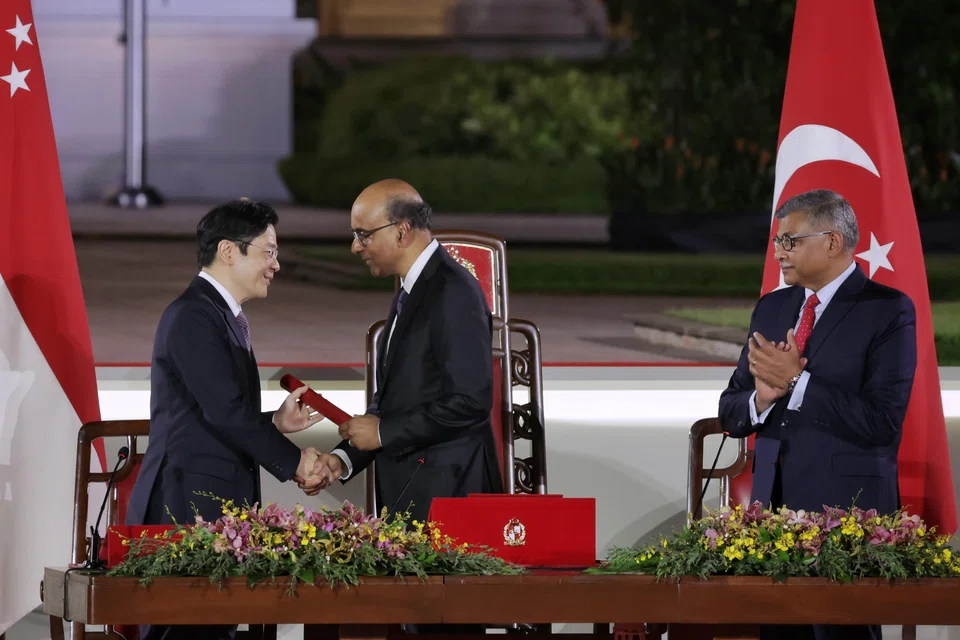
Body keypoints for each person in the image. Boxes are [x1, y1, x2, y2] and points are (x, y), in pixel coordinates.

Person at [719, 189, 917, 640]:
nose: (779, 253)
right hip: (771, 519)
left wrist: (800, 383)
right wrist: (762, 399)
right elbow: (731, 411)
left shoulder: (887, 310)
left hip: (848, 517)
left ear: (832, 242)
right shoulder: (772, 307)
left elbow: (882, 422)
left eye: (790, 241)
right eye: (776, 242)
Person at [126, 199, 329, 640]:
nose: (276, 264)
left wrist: (273, 426)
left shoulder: (219, 315)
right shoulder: (194, 316)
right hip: (185, 506)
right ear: (229, 251)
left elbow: (210, 411)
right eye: (269, 251)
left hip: (211, 504)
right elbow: (224, 411)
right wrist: (295, 463)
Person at [304, 179, 503, 526]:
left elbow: (470, 401)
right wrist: (344, 459)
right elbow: (395, 402)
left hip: (449, 495)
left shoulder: (452, 291)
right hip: (417, 489)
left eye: (363, 235)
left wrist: (382, 433)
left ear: (402, 231)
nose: (355, 247)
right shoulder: (411, 291)